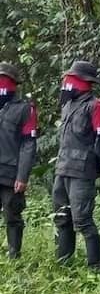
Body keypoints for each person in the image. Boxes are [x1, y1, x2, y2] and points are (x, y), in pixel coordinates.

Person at [53, 60, 100, 269]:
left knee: (83, 220)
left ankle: (96, 265)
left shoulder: (97, 107)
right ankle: (63, 261)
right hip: (63, 168)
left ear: (85, 82)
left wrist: (92, 167)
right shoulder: (68, 105)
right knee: (61, 217)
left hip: (82, 172)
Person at [0, 63, 38, 259]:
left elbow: (28, 145)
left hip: (10, 173)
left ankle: (14, 254)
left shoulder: (25, 109)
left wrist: (22, 176)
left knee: (13, 215)